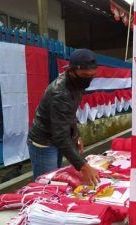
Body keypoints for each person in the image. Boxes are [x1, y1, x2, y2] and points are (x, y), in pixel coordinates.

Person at [27, 49, 100, 186]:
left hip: (56, 137)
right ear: (72, 72)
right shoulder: (60, 93)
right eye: (85, 75)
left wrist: (75, 136)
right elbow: (60, 136)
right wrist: (84, 166)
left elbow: (69, 115)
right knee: (46, 185)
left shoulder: (76, 84)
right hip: (44, 142)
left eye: (92, 75)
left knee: (55, 180)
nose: (88, 79)